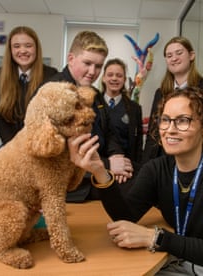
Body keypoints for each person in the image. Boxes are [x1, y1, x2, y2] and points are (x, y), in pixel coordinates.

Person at [68, 87, 203, 275]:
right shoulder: (156, 169)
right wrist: (100, 172)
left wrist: (155, 238)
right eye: (165, 120)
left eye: (183, 121)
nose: (170, 130)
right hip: (178, 260)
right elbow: (125, 217)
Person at [45, 31, 134, 201]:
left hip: (97, 175)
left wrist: (117, 157)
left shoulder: (94, 93)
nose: (93, 72)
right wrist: (108, 164)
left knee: (139, 179)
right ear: (71, 59)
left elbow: (108, 132)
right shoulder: (52, 93)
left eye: (99, 66)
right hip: (70, 185)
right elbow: (52, 151)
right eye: (87, 63)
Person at [142, 36, 203, 164]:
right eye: (169, 56)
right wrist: (145, 166)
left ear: (191, 55)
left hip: (196, 160)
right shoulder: (161, 93)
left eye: (179, 53)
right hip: (163, 160)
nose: (174, 58)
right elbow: (153, 133)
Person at [0, 26, 57, 145]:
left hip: (39, 145)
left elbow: (51, 120)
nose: (22, 50)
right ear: (10, 50)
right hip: (10, 145)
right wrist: (13, 146)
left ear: (36, 48)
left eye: (28, 46)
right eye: (16, 46)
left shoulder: (51, 75)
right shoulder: (1, 74)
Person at [100, 58, 143, 173]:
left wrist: (134, 167)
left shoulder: (134, 109)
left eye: (119, 75)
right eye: (110, 75)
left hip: (126, 170)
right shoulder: (93, 104)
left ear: (124, 79)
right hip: (100, 166)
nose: (114, 78)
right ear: (103, 78)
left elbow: (138, 143)